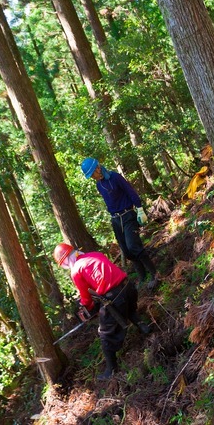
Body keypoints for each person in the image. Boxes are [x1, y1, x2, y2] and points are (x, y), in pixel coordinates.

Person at [53, 243, 150, 380]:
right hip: (128, 287)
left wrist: (86, 308)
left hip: (115, 296)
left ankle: (111, 369)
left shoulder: (76, 270)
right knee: (129, 308)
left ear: (66, 261)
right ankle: (143, 326)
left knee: (105, 333)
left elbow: (86, 299)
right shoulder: (95, 254)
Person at [81, 157, 158, 289]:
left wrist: (139, 209)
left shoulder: (115, 177)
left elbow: (131, 192)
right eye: (91, 176)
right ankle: (142, 277)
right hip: (116, 219)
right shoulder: (99, 185)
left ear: (98, 168)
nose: (93, 177)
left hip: (128, 215)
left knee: (133, 245)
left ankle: (154, 273)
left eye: (93, 174)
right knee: (127, 251)